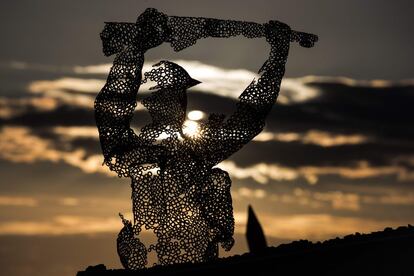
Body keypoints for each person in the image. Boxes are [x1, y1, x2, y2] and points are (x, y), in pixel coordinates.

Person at [95, 8, 316, 269]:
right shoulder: (144, 153)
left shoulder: (195, 151)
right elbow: (111, 109)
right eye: (172, 94)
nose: (179, 101)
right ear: (154, 102)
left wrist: (278, 56)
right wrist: (134, 51)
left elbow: (251, 116)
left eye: (180, 95)